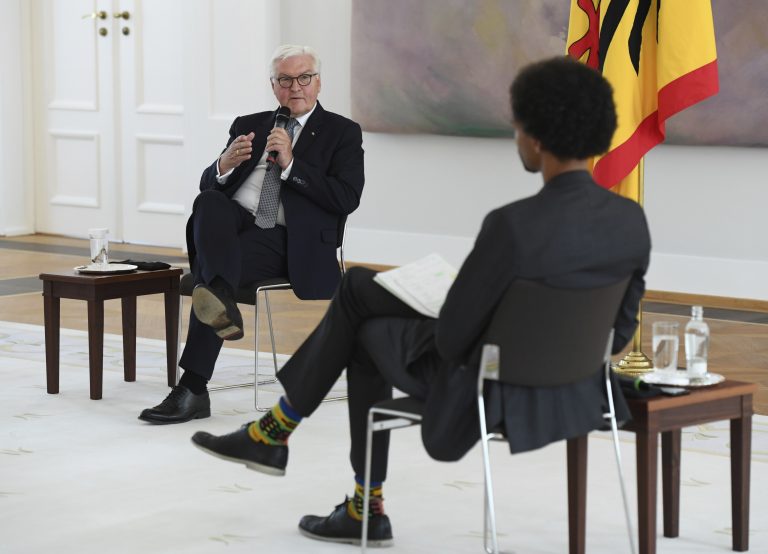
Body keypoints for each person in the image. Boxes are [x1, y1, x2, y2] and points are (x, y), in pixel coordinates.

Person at [189, 56, 651, 546]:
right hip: (573, 382)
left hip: (484, 386)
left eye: (517, 126)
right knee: (360, 289)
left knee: (361, 326)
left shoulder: (512, 225)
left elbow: (452, 338)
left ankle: (287, 442)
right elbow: (619, 333)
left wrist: (443, 300)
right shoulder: (630, 221)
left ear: (535, 136)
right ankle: (324, 476)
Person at [139, 45, 364, 424]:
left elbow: (347, 197)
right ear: (273, 86)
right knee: (210, 200)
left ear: (318, 82)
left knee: (209, 280)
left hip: (287, 240)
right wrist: (222, 167)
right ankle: (220, 302)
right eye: (285, 80)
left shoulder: (342, 132)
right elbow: (210, 184)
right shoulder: (251, 123)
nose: (295, 87)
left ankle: (193, 387)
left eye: (304, 77)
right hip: (234, 227)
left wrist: (292, 163)